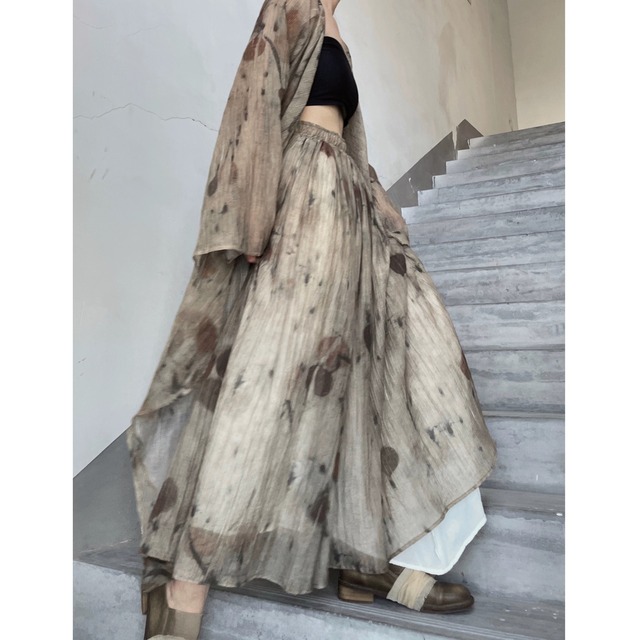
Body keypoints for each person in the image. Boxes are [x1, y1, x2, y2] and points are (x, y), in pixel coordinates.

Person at [126, 0, 497, 638]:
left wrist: (380, 203)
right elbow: (254, 98)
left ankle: (362, 560)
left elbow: (350, 139)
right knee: (267, 380)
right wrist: (250, 216)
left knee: (369, 370)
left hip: (348, 204)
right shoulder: (291, 4)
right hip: (304, 199)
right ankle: (186, 584)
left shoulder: (337, 28)